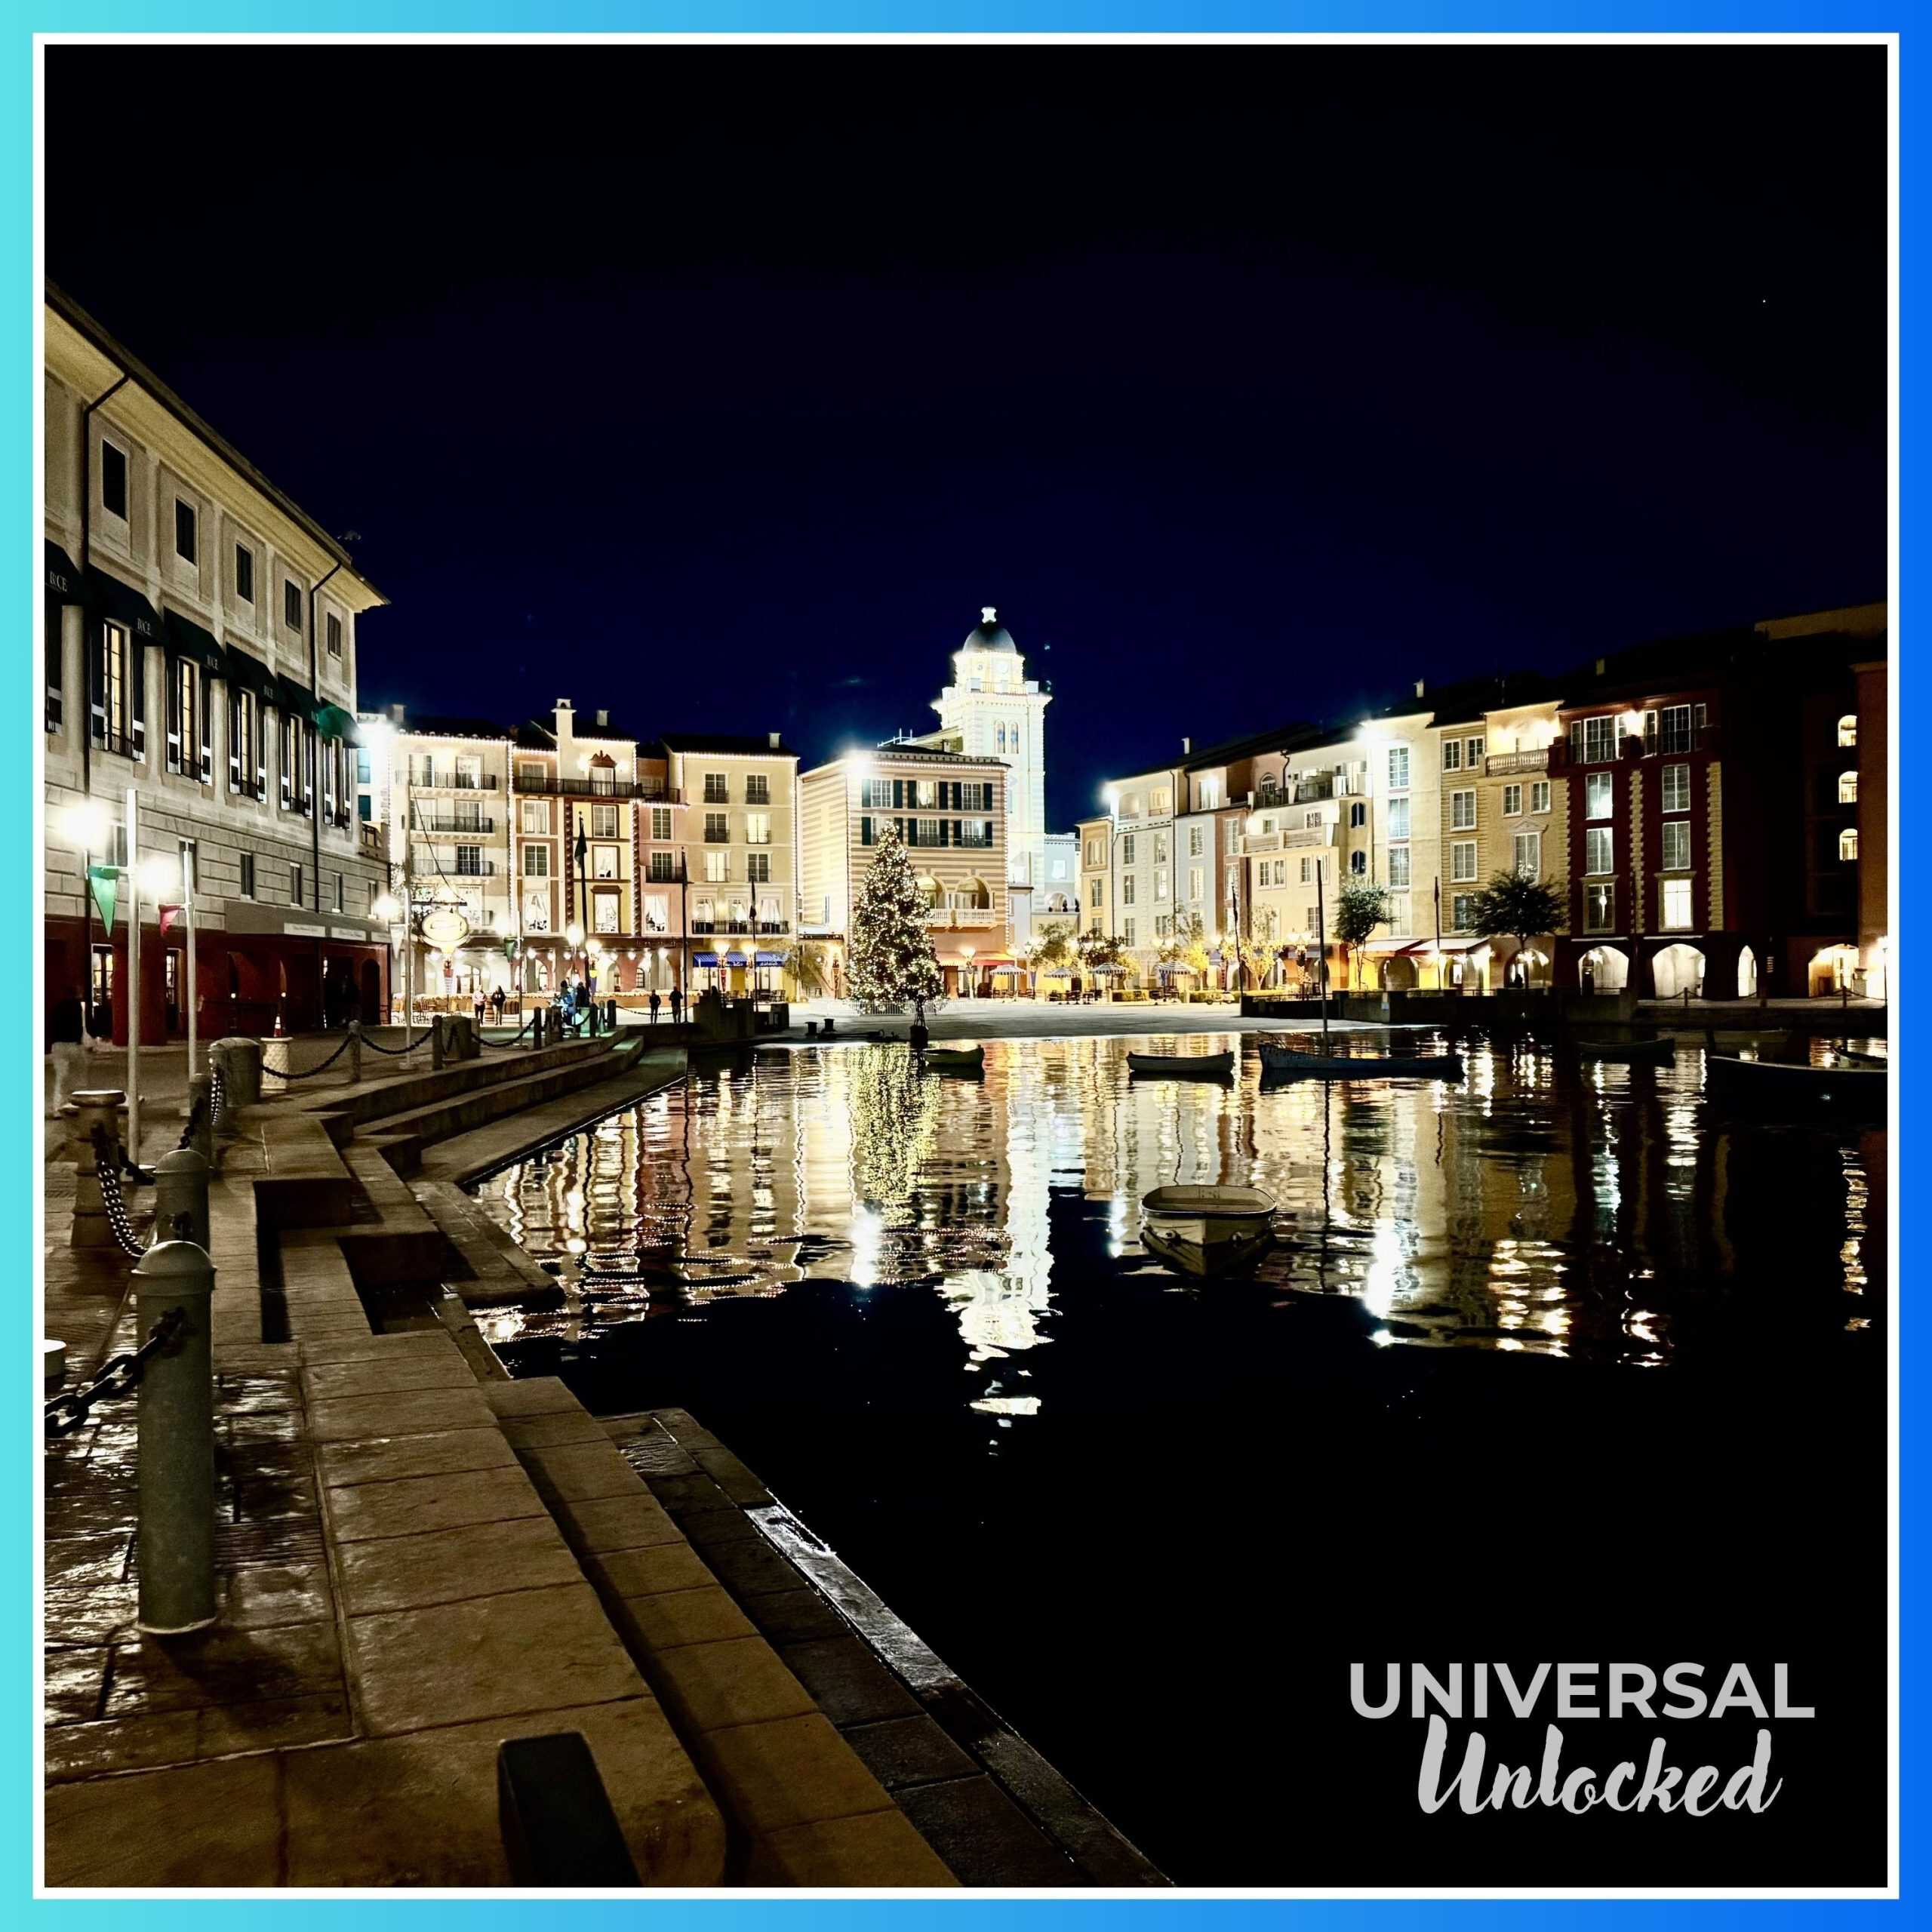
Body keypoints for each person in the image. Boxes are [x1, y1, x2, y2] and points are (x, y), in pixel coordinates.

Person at [48, 989, 85, 1116]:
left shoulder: (57, 1007)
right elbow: (81, 1026)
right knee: (75, 1078)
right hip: (73, 1044)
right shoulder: (77, 1007)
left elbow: (51, 1026)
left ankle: (57, 1109)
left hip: (58, 1045)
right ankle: (74, 1106)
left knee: (60, 1079)